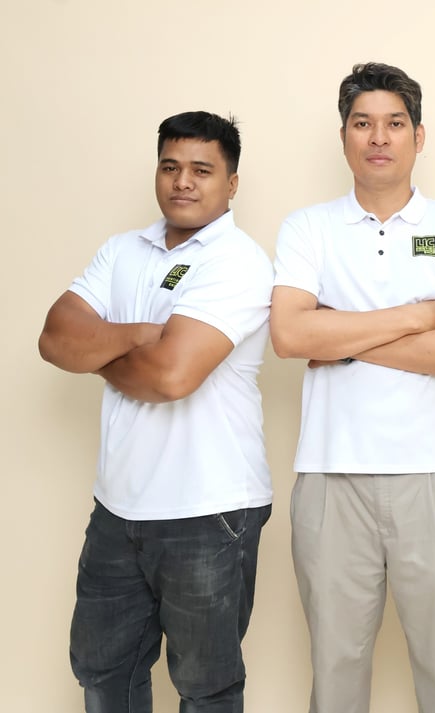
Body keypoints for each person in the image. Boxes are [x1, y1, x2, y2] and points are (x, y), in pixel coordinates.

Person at [270, 62, 435, 713]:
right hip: (330, 474)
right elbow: (290, 335)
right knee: (335, 670)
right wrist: (420, 315)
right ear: (343, 135)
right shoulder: (307, 228)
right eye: (362, 123)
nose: (378, 137)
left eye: (395, 123)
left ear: (418, 137)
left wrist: (338, 334)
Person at [38, 111, 273, 713]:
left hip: (209, 508)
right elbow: (55, 338)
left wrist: (98, 350)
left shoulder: (238, 261)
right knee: (102, 673)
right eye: (170, 167)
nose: (183, 181)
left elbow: (171, 377)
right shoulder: (123, 250)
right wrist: (142, 334)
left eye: (202, 170)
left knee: (206, 688)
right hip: (117, 508)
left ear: (232, 183)